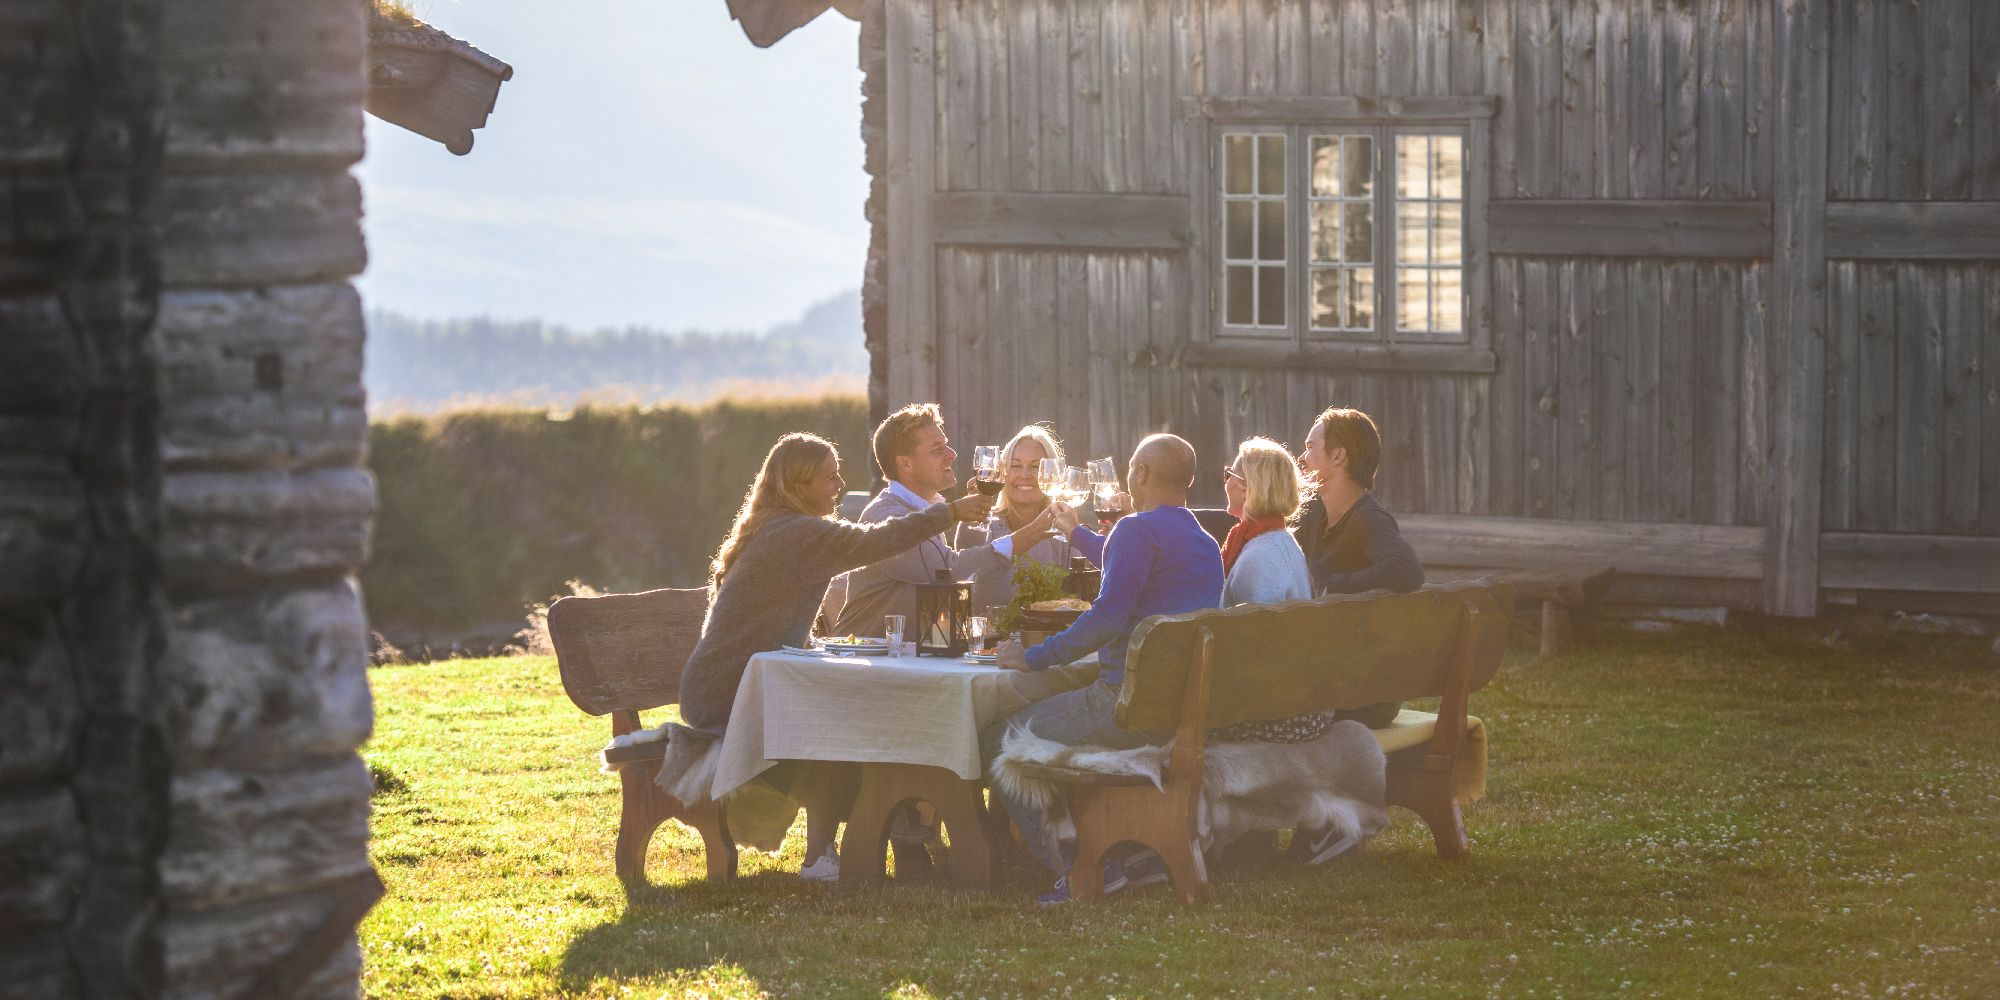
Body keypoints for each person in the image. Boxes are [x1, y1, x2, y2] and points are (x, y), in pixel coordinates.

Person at [668, 432, 994, 879]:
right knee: (838, 721)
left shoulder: (780, 526)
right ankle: (831, 852)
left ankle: (851, 843)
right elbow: (879, 541)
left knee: (842, 714)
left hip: (734, 683)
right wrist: (950, 511)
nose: (840, 484)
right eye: (830, 476)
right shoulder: (797, 532)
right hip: (724, 693)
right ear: (799, 487)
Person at [983, 433, 1225, 903]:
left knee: (997, 739)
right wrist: (1076, 532)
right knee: (1037, 723)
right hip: (1176, 714)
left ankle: (1079, 867)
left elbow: (1108, 615)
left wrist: (1033, 656)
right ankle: (1135, 855)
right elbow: (1125, 567)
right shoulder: (1200, 541)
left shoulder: (1137, 530)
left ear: (1140, 475)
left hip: (1122, 709)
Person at [830, 405, 1057, 637]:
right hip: (863, 661)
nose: (952, 454)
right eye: (937, 449)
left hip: (906, 659)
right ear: (906, 464)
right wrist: (1022, 539)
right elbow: (947, 571)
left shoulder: (928, 509)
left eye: (946, 444)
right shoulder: (888, 515)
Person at [1294, 406, 1426, 729]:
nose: (1302, 458)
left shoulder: (1368, 518)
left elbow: (1406, 569)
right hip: (1333, 676)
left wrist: (1338, 587)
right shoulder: (1313, 515)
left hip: (1364, 695)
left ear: (1338, 456)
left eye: (1311, 447)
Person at [953, 424, 1074, 612]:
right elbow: (964, 577)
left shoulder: (1063, 533)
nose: (1025, 475)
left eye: (1035, 467)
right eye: (1016, 465)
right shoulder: (981, 525)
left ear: (1053, 475)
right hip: (990, 640)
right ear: (1002, 472)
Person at [1217, 436, 1312, 607]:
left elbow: (1256, 630)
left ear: (1246, 487)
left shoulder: (1260, 557)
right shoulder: (1280, 542)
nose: (1225, 482)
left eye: (1229, 474)